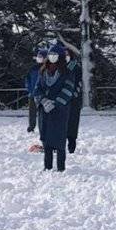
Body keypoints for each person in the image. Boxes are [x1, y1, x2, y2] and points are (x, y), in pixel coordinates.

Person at [37, 41, 79, 171]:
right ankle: (47, 166)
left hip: (60, 111)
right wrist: (43, 101)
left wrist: (56, 103)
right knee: (46, 139)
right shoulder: (43, 71)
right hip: (45, 110)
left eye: (55, 55)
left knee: (59, 139)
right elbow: (37, 89)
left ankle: (61, 167)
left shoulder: (67, 72)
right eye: (51, 54)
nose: (52, 57)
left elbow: (68, 89)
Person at [64, 44, 84, 153]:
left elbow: (79, 82)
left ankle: (71, 145)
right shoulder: (61, 67)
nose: (65, 56)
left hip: (73, 100)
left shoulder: (76, 67)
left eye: (67, 54)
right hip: (62, 99)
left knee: (72, 123)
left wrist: (74, 94)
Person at [24, 44, 46, 135]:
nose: (39, 58)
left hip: (42, 95)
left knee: (43, 112)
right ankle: (31, 126)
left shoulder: (47, 68)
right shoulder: (33, 68)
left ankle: (43, 127)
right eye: (38, 56)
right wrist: (29, 89)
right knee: (32, 112)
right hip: (32, 94)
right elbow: (27, 80)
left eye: (41, 57)